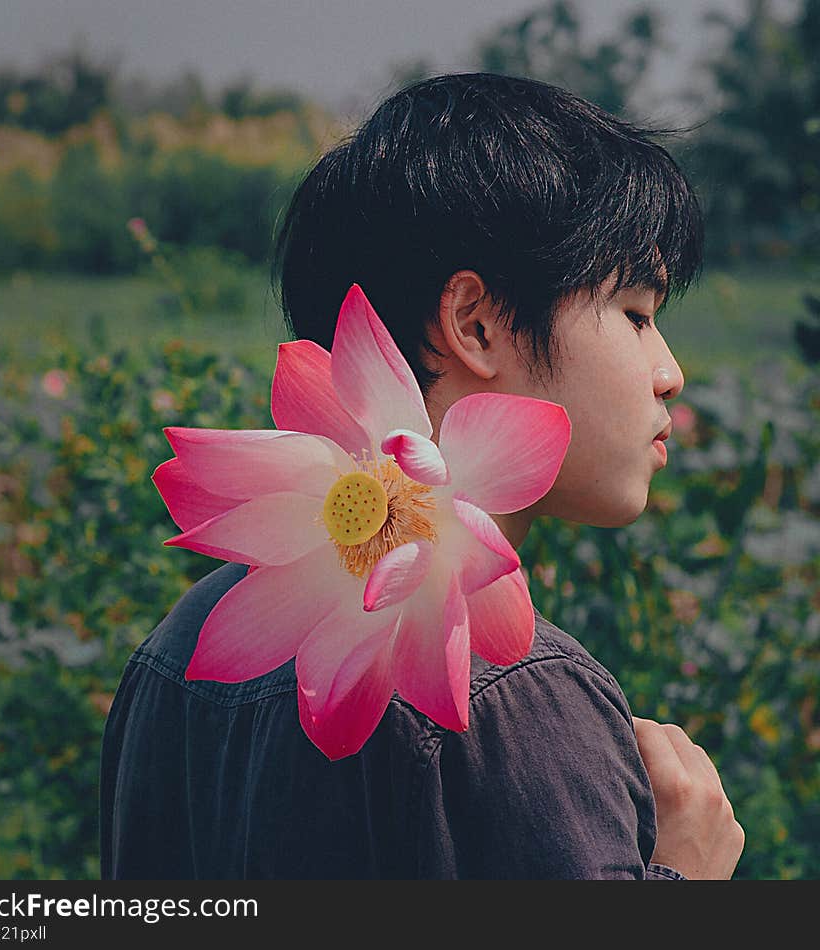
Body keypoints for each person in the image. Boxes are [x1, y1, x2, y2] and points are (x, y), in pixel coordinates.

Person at [100, 73, 745, 879]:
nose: (669, 373)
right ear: (475, 323)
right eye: (638, 315)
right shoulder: (513, 694)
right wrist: (689, 870)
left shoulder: (181, 645)